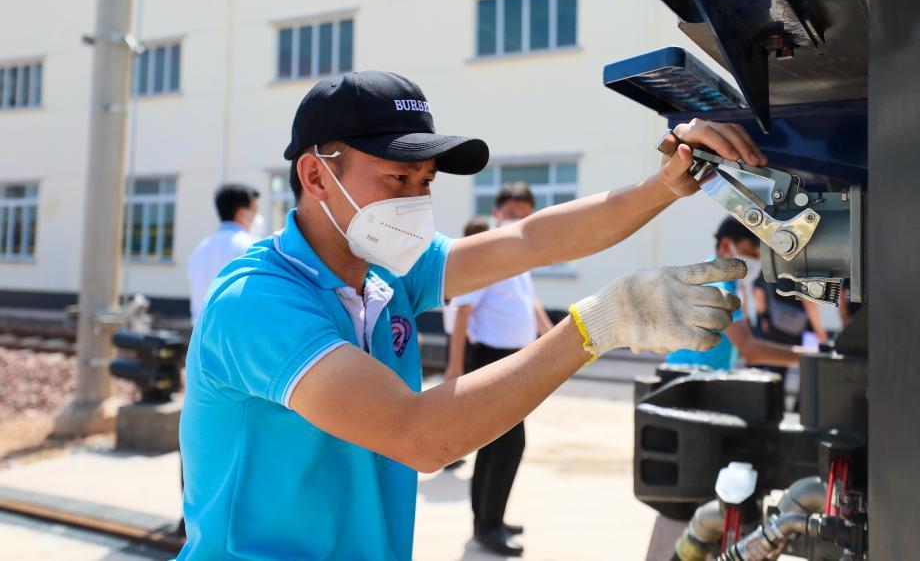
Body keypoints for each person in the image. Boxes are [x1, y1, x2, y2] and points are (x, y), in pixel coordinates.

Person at [178, 70, 763, 560]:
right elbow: (419, 436)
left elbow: (531, 240)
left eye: (425, 181)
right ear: (315, 176)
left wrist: (664, 185)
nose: (416, 198)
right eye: (396, 177)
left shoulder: (383, 271)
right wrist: (598, 325)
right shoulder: (258, 302)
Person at [444, 183, 554, 556]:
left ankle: (492, 518)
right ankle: (486, 527)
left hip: (515, 359)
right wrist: (455, 367)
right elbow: (462, 310)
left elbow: (530, 301)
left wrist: (550, 337)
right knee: (502, 446)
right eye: (512, 213)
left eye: (526, 214)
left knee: (503, 446)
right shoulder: (489, 250)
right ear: (497, 212)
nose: (519, 220)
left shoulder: (521, 251)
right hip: (490, 360)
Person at [667, 218, 803, 370]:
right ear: (726, 246)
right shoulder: (719, 286)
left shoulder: (725, 279)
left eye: (759, 257)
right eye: (751, 253)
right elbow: (748, 348)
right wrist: (810, 357)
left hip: (699, 374)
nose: (756, 262)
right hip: (688, 377)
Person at [439, 215, 490, 474]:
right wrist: (454, 364)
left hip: (461, 337)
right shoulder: (470, 264)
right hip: (462, 339)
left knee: (460, 402)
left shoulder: (458, 259)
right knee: (459, 402)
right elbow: (463, 314)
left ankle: (452, 453)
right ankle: (449, 454)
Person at [185, 184, 264, 322]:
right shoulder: (252, 247)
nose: (257, 217)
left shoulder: (200, 248)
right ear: (242, 213)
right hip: (235, 333)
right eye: (255, 211)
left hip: (199, 333)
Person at [752, 272, 828, 382]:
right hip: (798, 328)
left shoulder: (768, 266)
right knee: (806, 369)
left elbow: (759, 293)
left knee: (775, 368)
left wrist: (764, 317)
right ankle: (802, 399)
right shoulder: (802, 268)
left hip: (774, 325)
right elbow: (808, 302)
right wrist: (818, 329)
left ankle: (774, 398)